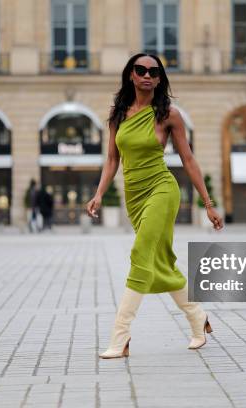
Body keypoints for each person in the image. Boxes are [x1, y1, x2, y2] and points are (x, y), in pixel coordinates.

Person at [86, 53, 224, 359]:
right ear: (131, 76)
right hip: (134, 196)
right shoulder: (118, 114)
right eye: (140, 70)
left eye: (154, 71)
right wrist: (98, 193)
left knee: (140, 255)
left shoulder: (168, 115)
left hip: (162, 189)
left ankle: (119, 337)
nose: (147, 75)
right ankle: (197, 317)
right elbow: (112, 159)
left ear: (159, 78)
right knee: (160, 263)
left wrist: (208, 203)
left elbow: (188, 159)